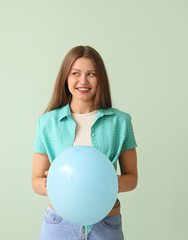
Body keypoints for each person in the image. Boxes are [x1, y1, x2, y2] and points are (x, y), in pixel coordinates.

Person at [32, 45, 138, 240]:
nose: (83, 81)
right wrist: (53, 181)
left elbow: (132, 178)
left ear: (100, 79)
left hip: (106, 224)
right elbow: (36, 181)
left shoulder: (121, 122)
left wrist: (112, 181)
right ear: (66, 77)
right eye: (75, 73)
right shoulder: (47, 123)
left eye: (91, 74)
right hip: (59, 224)